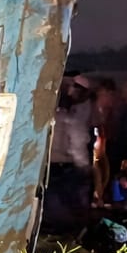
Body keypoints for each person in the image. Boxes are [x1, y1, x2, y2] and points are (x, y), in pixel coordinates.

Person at [42, 73, 95, 234]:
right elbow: (77, 144)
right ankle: (67, 232)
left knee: (53, 200)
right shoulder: (70, 119)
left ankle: (52, 231)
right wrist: (84, 165)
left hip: (51, 165)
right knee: (68, 201)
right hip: (66, 166)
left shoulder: (49, 119)